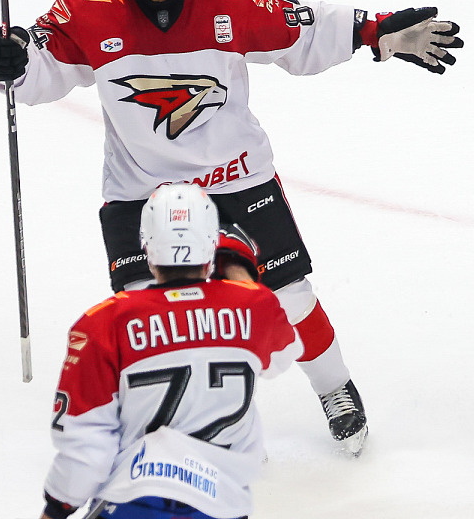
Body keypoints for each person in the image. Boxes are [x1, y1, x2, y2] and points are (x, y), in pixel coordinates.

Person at [0, 0, 463, 455]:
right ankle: (166, 416)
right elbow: (37, 66)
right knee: (146, 309)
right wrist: (10, 62)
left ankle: (335, 388)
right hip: (141, 189)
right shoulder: (87, 8)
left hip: (235, 176)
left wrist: (374, 31)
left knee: (290, 295)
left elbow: (302, 30)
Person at [40, 183, 302, 519]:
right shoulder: (255, 306)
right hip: (221, 505)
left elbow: (86, 448)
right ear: (211, 247)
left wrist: (56, 508)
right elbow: (282, 356)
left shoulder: (104, 322)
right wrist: (238, 268)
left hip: (134, 502)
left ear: (146, 248)